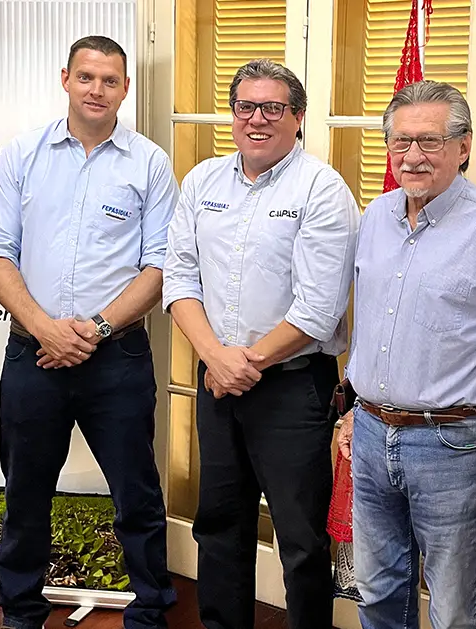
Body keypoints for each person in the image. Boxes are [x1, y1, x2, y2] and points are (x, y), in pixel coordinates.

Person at [0, 36, 178, 629]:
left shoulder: (149, 163)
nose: (97, 90)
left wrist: (92, 329)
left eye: (109, 81)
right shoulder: (23, 155)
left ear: (125, 89)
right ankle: (21, 613)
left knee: (137, 497)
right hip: (31, 355)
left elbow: (162, 265)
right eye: (86, 77)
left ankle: (149, 614)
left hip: (117, 358)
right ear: (65, 78)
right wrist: (45, 330)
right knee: (25, 496)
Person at [161, 59, 360, 629]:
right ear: (232, 114)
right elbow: (180, 278)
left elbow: (318, 308)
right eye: (246, 106)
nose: (257, 119)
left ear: (297, 118)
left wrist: (242, 363)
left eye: (273, 108)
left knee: (300, 538)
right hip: (218, 380)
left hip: (293, 387)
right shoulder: (202, 181)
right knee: (219, 523)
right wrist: (215, 359)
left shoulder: (321, 188)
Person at [336, 80, 476, 629]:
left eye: (429, 141)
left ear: (464, 146)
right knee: (377, 592)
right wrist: (353, 410)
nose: (412, 157)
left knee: (455, 606)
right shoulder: (375, 217)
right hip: (373, 435)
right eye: (400, 143)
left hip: (455, 444)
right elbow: (370, 327)